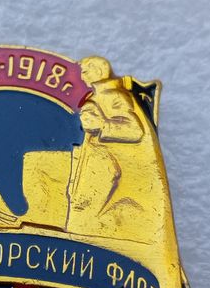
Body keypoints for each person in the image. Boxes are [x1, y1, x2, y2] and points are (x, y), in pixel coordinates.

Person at [66, 56, 157, 243]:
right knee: (78, 216)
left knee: (82, 221)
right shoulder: (94, 98)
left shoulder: (114, 96)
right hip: (87, 166)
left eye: (85, 71)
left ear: (99, 72)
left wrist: (102, 124)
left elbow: (135, 130)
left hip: (103, 167)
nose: (81, 76)